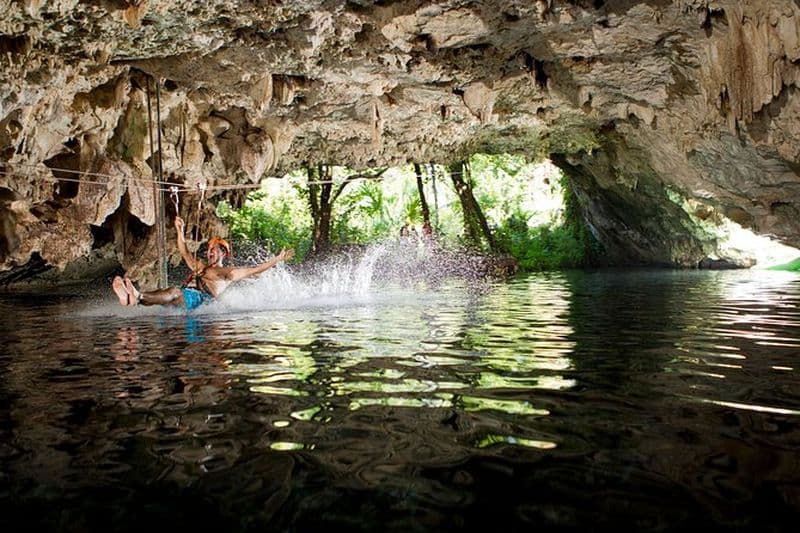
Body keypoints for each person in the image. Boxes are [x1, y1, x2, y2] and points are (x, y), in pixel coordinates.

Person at [111, 216, 294, 310]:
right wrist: (179, 230)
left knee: (174, 293)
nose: (209, 252)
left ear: (223, 252)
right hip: (186, 296)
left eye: (213, 249)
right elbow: (184, 251)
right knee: (169, 292)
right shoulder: (200, 267)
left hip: (200, 301)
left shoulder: (226, 273)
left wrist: (277, 259)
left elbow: (254, 270)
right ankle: (135, 298)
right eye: (208, 249)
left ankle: (138, 296)